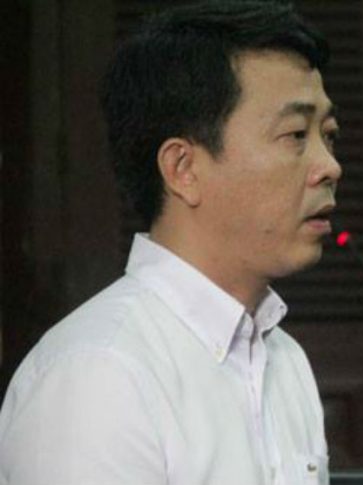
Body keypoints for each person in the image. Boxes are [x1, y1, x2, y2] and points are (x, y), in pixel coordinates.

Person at [0, 1, 341, 483]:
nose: (329, 166)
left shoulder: (286, 360)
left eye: (329, 135)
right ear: (183, 168)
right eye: (295, 135)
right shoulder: (99, 372)